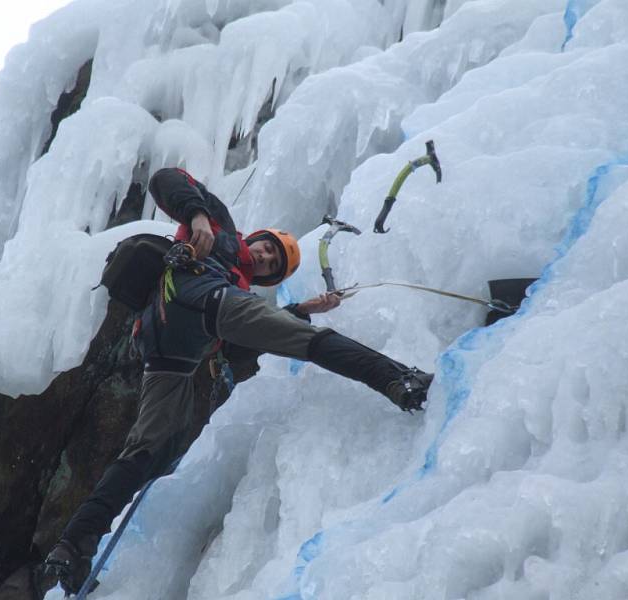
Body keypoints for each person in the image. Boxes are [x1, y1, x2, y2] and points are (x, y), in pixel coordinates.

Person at [40, 167, 433, 594]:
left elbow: (238, 350)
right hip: (195, 297)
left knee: (149, 447)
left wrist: (299, 309)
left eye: (272, 264)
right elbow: (166, 179)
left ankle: (74, 544)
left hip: (168, 346)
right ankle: (398, 380)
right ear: (255, 237)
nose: (265, 257)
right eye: (267, 248)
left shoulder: (240, 287)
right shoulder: (220, 226)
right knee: (309, 342)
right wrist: (199, 218)